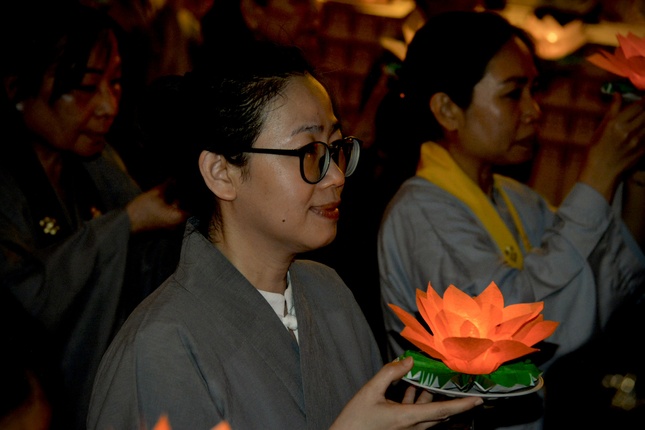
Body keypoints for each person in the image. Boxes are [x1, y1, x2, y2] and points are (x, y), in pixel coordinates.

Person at [86, 40, 483, 430]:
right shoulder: (159, 346)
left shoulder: (330, 294)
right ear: (222, 173)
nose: (337, 175)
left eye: (336, 148)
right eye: (309, 153)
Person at [377, 9, 645, 430]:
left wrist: (634, 173)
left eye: (533, 91)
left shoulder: (516, 199)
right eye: (513, 94)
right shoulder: (422, 212)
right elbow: (506, 338)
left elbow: (599, 286)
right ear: (447, 109)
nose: (534, 111)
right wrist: (597, 176)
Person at [0, 2, 187, 428]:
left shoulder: (98, 165)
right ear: (16, 88)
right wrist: (126, 223)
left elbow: (152, 276)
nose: (107, 106)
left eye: (116, 83)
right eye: (87, 87)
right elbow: (23, 299)